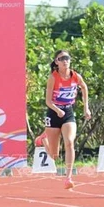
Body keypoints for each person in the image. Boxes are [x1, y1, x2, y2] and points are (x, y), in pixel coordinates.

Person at [34, 50, 91, 189]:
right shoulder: (53, 78)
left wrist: (86, 108)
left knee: (70, 142)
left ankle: (68, 177)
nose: (65, 61)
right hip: (54, 113)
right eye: (62, 58)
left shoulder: (75, 76)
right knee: (54, 155)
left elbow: (84, 87)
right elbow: (48, 101)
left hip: (68, 112)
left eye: (67, 58)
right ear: (56, 62)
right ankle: (43, 140)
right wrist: (57, 110)